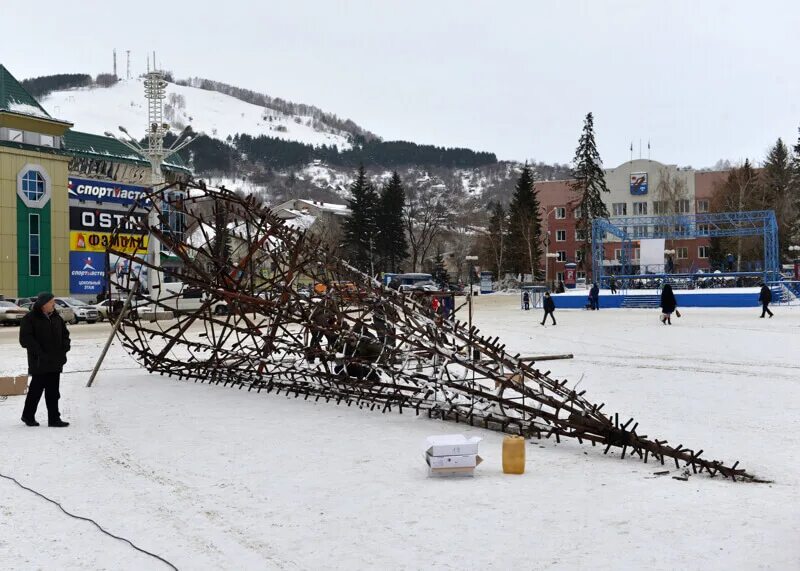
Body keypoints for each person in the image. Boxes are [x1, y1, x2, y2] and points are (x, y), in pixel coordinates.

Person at [19, 293, 71, 427]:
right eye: (51, 302)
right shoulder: (30, 318)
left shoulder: (56, 317)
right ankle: (28, 416)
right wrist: (40, 352)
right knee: (35, 391)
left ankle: (54, 419)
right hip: (39, 362)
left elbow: (65, 334)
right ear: (43, 304)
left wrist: (65, 347)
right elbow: (25, 339)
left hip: (55, 361)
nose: (54, 304)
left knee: (53, 392)